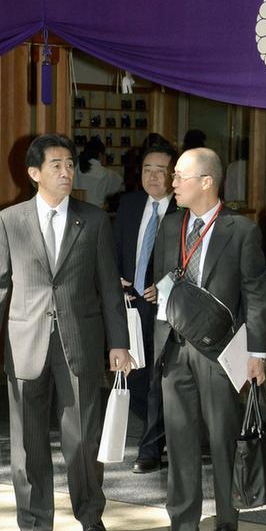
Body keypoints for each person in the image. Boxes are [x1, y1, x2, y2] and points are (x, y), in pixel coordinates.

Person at [0, 134, 131, 531]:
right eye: (57, 165)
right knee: (27, 445)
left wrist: (120, 343)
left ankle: (91, 518)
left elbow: (107, 287)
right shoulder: (8, 221)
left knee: (83, 439)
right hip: (26, 345)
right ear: (34, 173)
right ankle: (33, 530)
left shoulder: (94, 220)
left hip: (79, 342)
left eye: (69, 164)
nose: (66, 172)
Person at [148, 147, 266, 531]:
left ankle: (226, 524)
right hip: (175, 347)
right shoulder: (170, 228)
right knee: (179, 443)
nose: (172, 182)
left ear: (206, 181)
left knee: (222, 439)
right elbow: (166, 281)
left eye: (180, 175)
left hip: (221, 352)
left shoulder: (241, 229)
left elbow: (255, 292)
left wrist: (257, 352)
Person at [113, 140, 178, 473]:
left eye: (162, 171)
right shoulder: (129, 204)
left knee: (155, 380)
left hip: (164, 310)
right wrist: (117, 279)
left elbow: (192, 262)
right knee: (135, 378)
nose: (154, 177)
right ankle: (168, 430)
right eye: (147, 170)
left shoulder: (183, 210)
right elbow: (114, 248)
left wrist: (166, 285)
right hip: (129, 306)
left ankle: (150, 448)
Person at [73, 136, 123, 208]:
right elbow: (118, 185)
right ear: (100, 155)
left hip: (77, 210)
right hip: (96, 211)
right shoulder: (107, 173)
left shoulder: (77, 167)